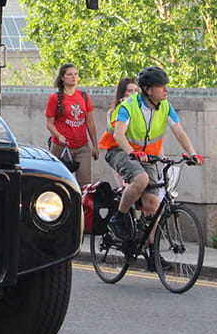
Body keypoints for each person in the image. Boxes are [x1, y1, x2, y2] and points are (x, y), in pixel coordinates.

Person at [99, 66, 204, 246]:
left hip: (146, 156)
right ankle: (119, 217)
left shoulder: (165, 106)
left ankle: (152, 252)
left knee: (154, 205)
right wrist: (132, 152)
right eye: (161, 86)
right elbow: (118, 135)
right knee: (141, 179)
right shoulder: (129, 106)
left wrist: (193, 153)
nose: (166, 90)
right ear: (148, 89)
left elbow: (179, 132)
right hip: (119, 150)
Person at [44, 63, 99, 185]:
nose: (73, 77)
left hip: (81, 145)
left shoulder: (84, 96)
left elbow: (90, 122)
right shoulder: (55, 98)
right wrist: (58, 135)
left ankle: (82, 202)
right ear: (62, 78)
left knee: (85, 182)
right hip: (61, 145)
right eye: (70, 74)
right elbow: (49, 123)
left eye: (75, 74)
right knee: (57, 180)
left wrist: (95, 145)